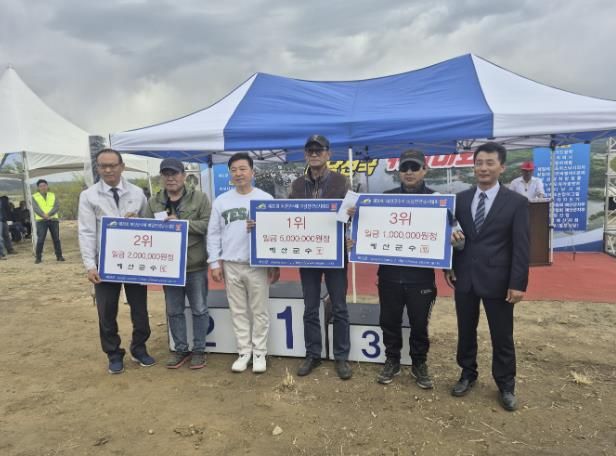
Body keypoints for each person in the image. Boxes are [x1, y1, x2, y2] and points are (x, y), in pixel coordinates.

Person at [446, 142, 530, 412]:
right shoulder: (459, 200)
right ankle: (467, 374)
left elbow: (521, 247)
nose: (483, 168)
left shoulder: (517, 203)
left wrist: (518, 284)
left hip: (499, 281)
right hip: (465, 278)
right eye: (479, 163)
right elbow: (451, 237)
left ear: (501, 167)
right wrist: (449, 266)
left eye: (490, 163)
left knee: (502, 335)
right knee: (465, 331)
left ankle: (506, 384)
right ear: (474, 167)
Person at [78, 149, 155, 374]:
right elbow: (86, 231)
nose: (108, 170)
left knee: (139, 310)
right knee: (106, 311)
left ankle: (139, 348)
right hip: (105, 263)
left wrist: (138, 220)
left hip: (134, 262)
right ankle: (113, 353)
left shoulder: (137, 193)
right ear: (98, 168)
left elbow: (148, 225)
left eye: (112, 165)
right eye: (103, 166)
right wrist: (90, 265)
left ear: (122, 166)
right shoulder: (89, 196)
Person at [207, 153, 280, 374]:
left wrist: (274, 263)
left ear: (252, 172)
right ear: (230, 174)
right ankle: (244, 352)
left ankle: (259, 353)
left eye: (243, 169)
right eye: (234, 170)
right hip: (231, 263)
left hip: (256, 264)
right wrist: (214, 263)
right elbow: (213, 234)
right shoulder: (221, 201)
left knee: (259, 311)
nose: (238, 173)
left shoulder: (265, 198)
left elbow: (276, 232)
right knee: (238, 311)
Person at [289, 134, 352, 380]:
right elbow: (286, 217)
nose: (314, 154)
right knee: (310, 306)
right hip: (307, 256)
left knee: (340, 306)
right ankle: (313, 354)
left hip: (335, 254)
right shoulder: (296, 185)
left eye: (319, 150)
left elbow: (351, 216)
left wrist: (351, 228)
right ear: (305, 154)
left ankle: (341, 356)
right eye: (310, 151)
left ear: (328, 154)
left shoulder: (342, 182)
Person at [374, 149, 437, 389]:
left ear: (424, 170)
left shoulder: (437, 199)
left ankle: (419, 362)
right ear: (398, 172)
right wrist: (355, 220)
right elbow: (369, 229)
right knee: (389, 320)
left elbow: (453, 234)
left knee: (419, 324)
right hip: (389, 275)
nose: (409, 172)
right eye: (404, 168)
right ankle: (392, 360)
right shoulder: (385, 199)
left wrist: (455, 239)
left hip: (421, 277)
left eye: (414, 167)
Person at [144, 158, 211, 370]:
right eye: (166, 174)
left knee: (199, 309)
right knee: (174, 311)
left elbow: (207, 225)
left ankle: (199, 350)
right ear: (161, 178)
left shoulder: (200, 198)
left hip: (195, 265)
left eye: (174, 173)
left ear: (184, 176)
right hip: (168, 268)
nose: (170, 178)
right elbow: (145, 229)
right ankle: (181, 349)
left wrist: (181, 225)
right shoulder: (153, 202)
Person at [32, 179, 64, 263]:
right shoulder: (34, 196)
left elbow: (56, 206)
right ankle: (38, 258)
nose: (43, 187)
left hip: (53, 219)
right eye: (41, 186)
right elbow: (36, 208)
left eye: (44, 185)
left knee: (56, 239)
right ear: (38, 187)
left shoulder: (53, 195)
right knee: (41, 239)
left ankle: (59, 256)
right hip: (41, 220)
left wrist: (49, 214)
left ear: (47, 186)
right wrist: (44, 215)